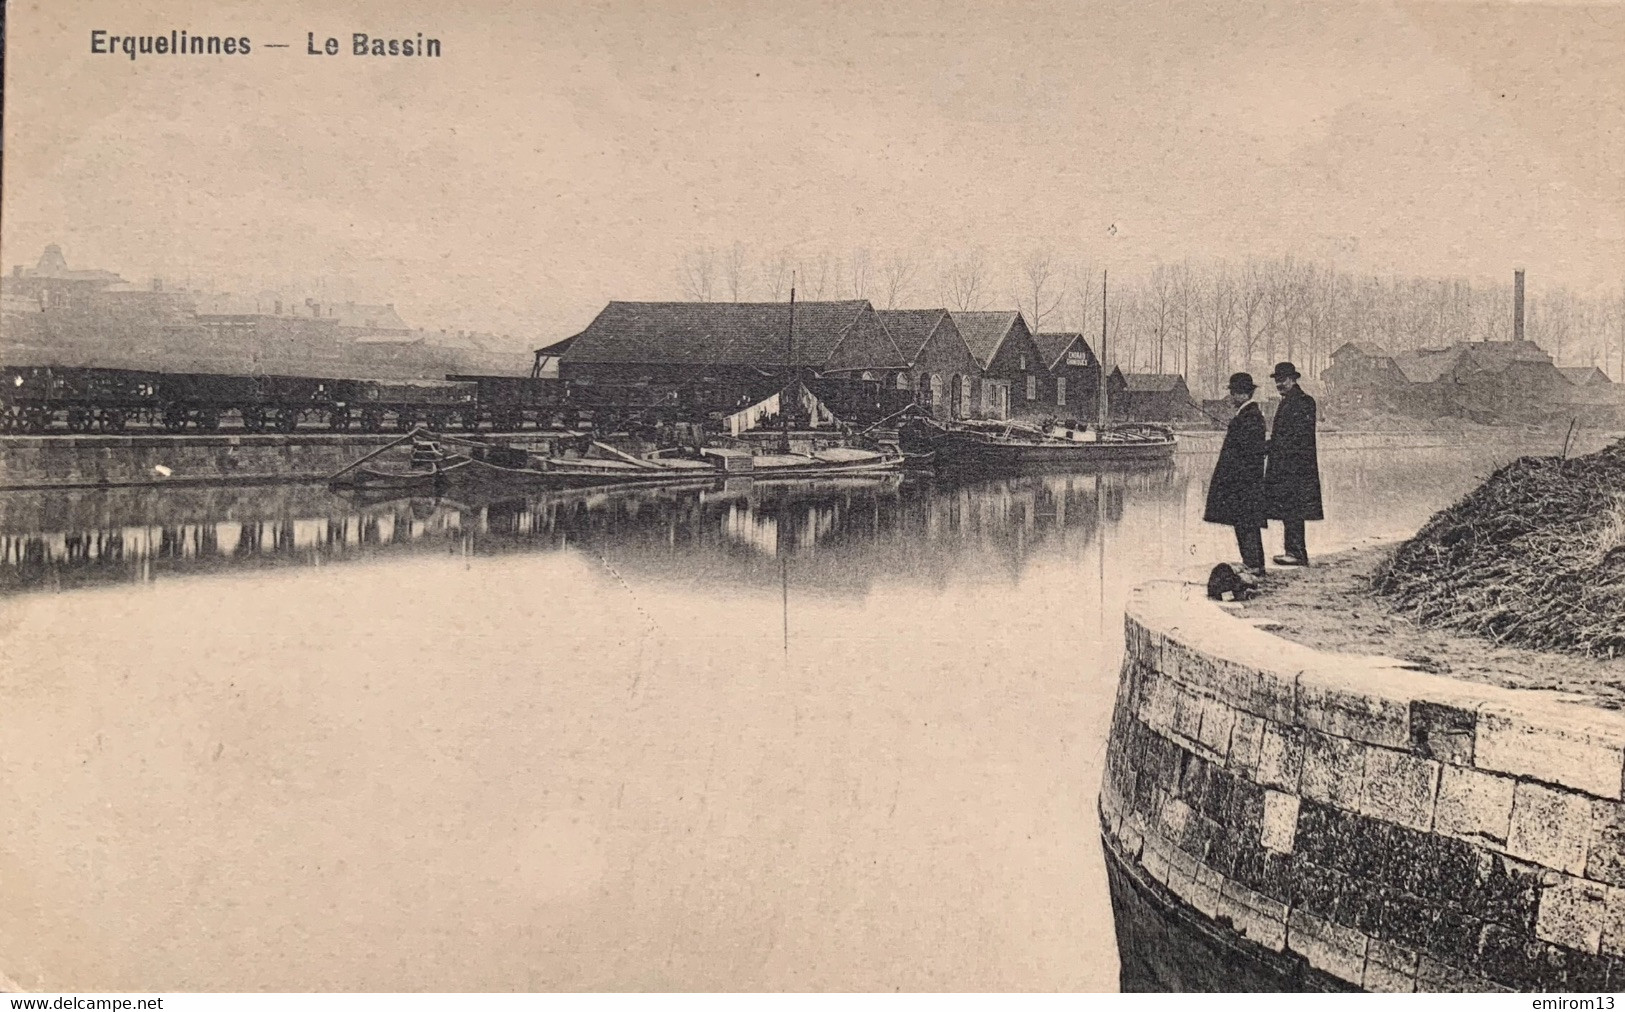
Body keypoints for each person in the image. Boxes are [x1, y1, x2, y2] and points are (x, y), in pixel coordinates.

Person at [1204, 372, 1268, 576]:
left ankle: (1254, 565)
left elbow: (1248, 450)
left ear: (1242, 394)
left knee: (1246, 523)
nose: (1230, 397)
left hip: (1244, 481)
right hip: (1244, 479)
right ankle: (1253, 563)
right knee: (1245, 523)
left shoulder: (1249, 416)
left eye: (1233, 393)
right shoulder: (1247, 415)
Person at [1263, 361, 1323, 566]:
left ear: (1293, 379)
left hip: (1296, 467)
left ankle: (1297, 553)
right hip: (1287, 464)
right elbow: (1284, 435)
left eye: (1283, 380)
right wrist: (1268, 446)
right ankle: (1292, 551)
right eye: (1277, 380)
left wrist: (1270, 447)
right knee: (1289, 509)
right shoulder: (1288, 401)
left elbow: (1296, 437)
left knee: (1294, 509)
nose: (1279, 384)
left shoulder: (1304, 401)